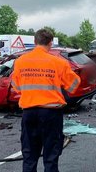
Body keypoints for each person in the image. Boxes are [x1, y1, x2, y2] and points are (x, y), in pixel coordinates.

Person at [11, 28, 81, 172]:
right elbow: (74, 85)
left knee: (29, 155)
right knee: (51, 156)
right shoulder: (59, 62)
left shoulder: (20, 62)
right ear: (50, 43)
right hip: (51, 114)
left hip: (29, 113)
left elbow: (16, 87)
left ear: (35, 42)